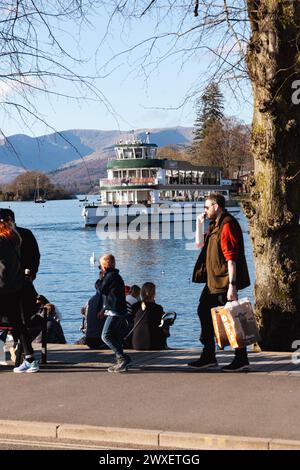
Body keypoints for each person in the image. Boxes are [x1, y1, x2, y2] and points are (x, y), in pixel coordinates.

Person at [189, 193, 251, 372]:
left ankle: (241, 358)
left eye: (207, 207)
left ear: (216, 206)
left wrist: (233, 285)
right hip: (212, 281)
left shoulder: (227, 224)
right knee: (203, 311)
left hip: (224, 281)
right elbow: (199, 245)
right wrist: (199, 224)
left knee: (232, 318)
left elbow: (232, 258)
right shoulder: (216, 224)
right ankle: (209, 355)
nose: (205, 211)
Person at [0, 212, 39, 372]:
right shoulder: (16, 239)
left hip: (2, 288)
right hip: (15, 288)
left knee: (17, 324)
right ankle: (29, 359)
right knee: (18, 324)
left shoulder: (1, 241)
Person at [99, 253, 131, 373]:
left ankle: (122, 358)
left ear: (104, 267)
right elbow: (110, 294)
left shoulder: (109, 276)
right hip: (117, 310)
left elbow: (101, 289)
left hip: (115, 311)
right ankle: (121, 359)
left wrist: (100, 280)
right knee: (113, 335)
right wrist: (104, 309)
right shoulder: (115, 276)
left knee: (105, 336)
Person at [0, 208, 40, 280]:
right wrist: (29, 276)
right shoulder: (26, 233)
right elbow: (34, 257)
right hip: (23, 279)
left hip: (4, 282)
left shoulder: (3, 238)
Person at [132, 282, 169, 351]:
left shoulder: (135, 306)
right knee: (165, 324)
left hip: (136, 343)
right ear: (154, 294)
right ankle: (165, 345)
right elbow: (157, 324)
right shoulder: (158, 308)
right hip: (152, 344)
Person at [76, 279, 106, 349]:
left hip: (89, 338)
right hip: (100, 339)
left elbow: (83, 315)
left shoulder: (90, 300)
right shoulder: (106, 300)